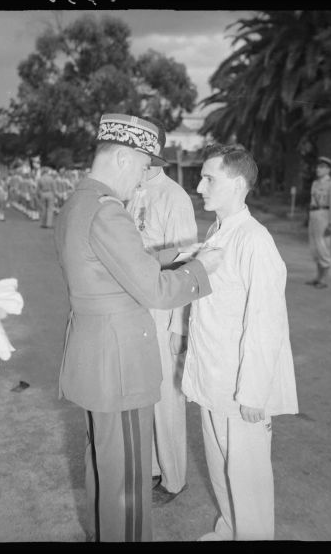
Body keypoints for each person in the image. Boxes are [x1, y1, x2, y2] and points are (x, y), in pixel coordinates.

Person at [54, 113, 223, 542]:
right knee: (127, 486)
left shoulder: (79, 202)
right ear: (124, 158)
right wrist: (201, 269)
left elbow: (110, 269)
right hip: (121, 368)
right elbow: (155, 292)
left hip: (95, 361)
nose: (141, 179)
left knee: (104, 469)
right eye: (144, 166)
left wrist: (174, 255)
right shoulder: (109, 211)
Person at [181, 143, 299, 541]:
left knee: (248, 480)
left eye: (208, 179)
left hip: (241, 385)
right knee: (220, 467)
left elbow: (266, 322)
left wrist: (253, 392)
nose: (199, 187)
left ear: (236, 184)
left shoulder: (255, 240)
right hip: (213, 377)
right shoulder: (216, 231)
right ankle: (229, 530)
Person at [125, 117, 197, 503]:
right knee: (141, 392)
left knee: (167, 398)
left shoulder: (174, 197)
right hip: (131, 307)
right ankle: (152, 468)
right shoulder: (130, 192)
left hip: (162, 310)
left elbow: (185, 264)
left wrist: (179, 327)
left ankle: (173, 478)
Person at [306, 156, 331, 289]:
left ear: (328, 169)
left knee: (323, 246)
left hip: (324, 215)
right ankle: (318, 277)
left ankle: (324, 279)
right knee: (314, 247)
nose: (318, 169)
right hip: (314, 215)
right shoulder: (315, 183)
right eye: (318, 166)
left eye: (322, 167)